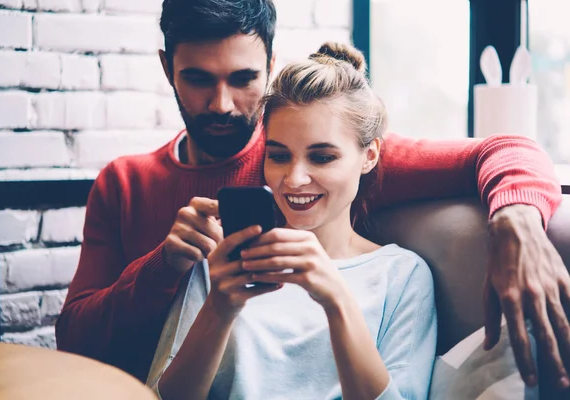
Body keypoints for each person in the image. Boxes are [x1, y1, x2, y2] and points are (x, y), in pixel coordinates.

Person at [56, 0, 569, 390]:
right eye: (197, 79)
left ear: (270, 64)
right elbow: (73, 341)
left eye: (243, 79)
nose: (223, 105)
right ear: (168, 67)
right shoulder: (124, 185)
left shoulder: (323, 154)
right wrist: (165, 268)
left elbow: (505, 149)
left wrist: (516, 223)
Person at [148, 42, 437, 400]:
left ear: (370, 155)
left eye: (322, 157)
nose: (294, 179)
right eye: (279, 156)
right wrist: (220, 307)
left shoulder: (401, 275)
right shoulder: (221, 265)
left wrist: (336, 299)